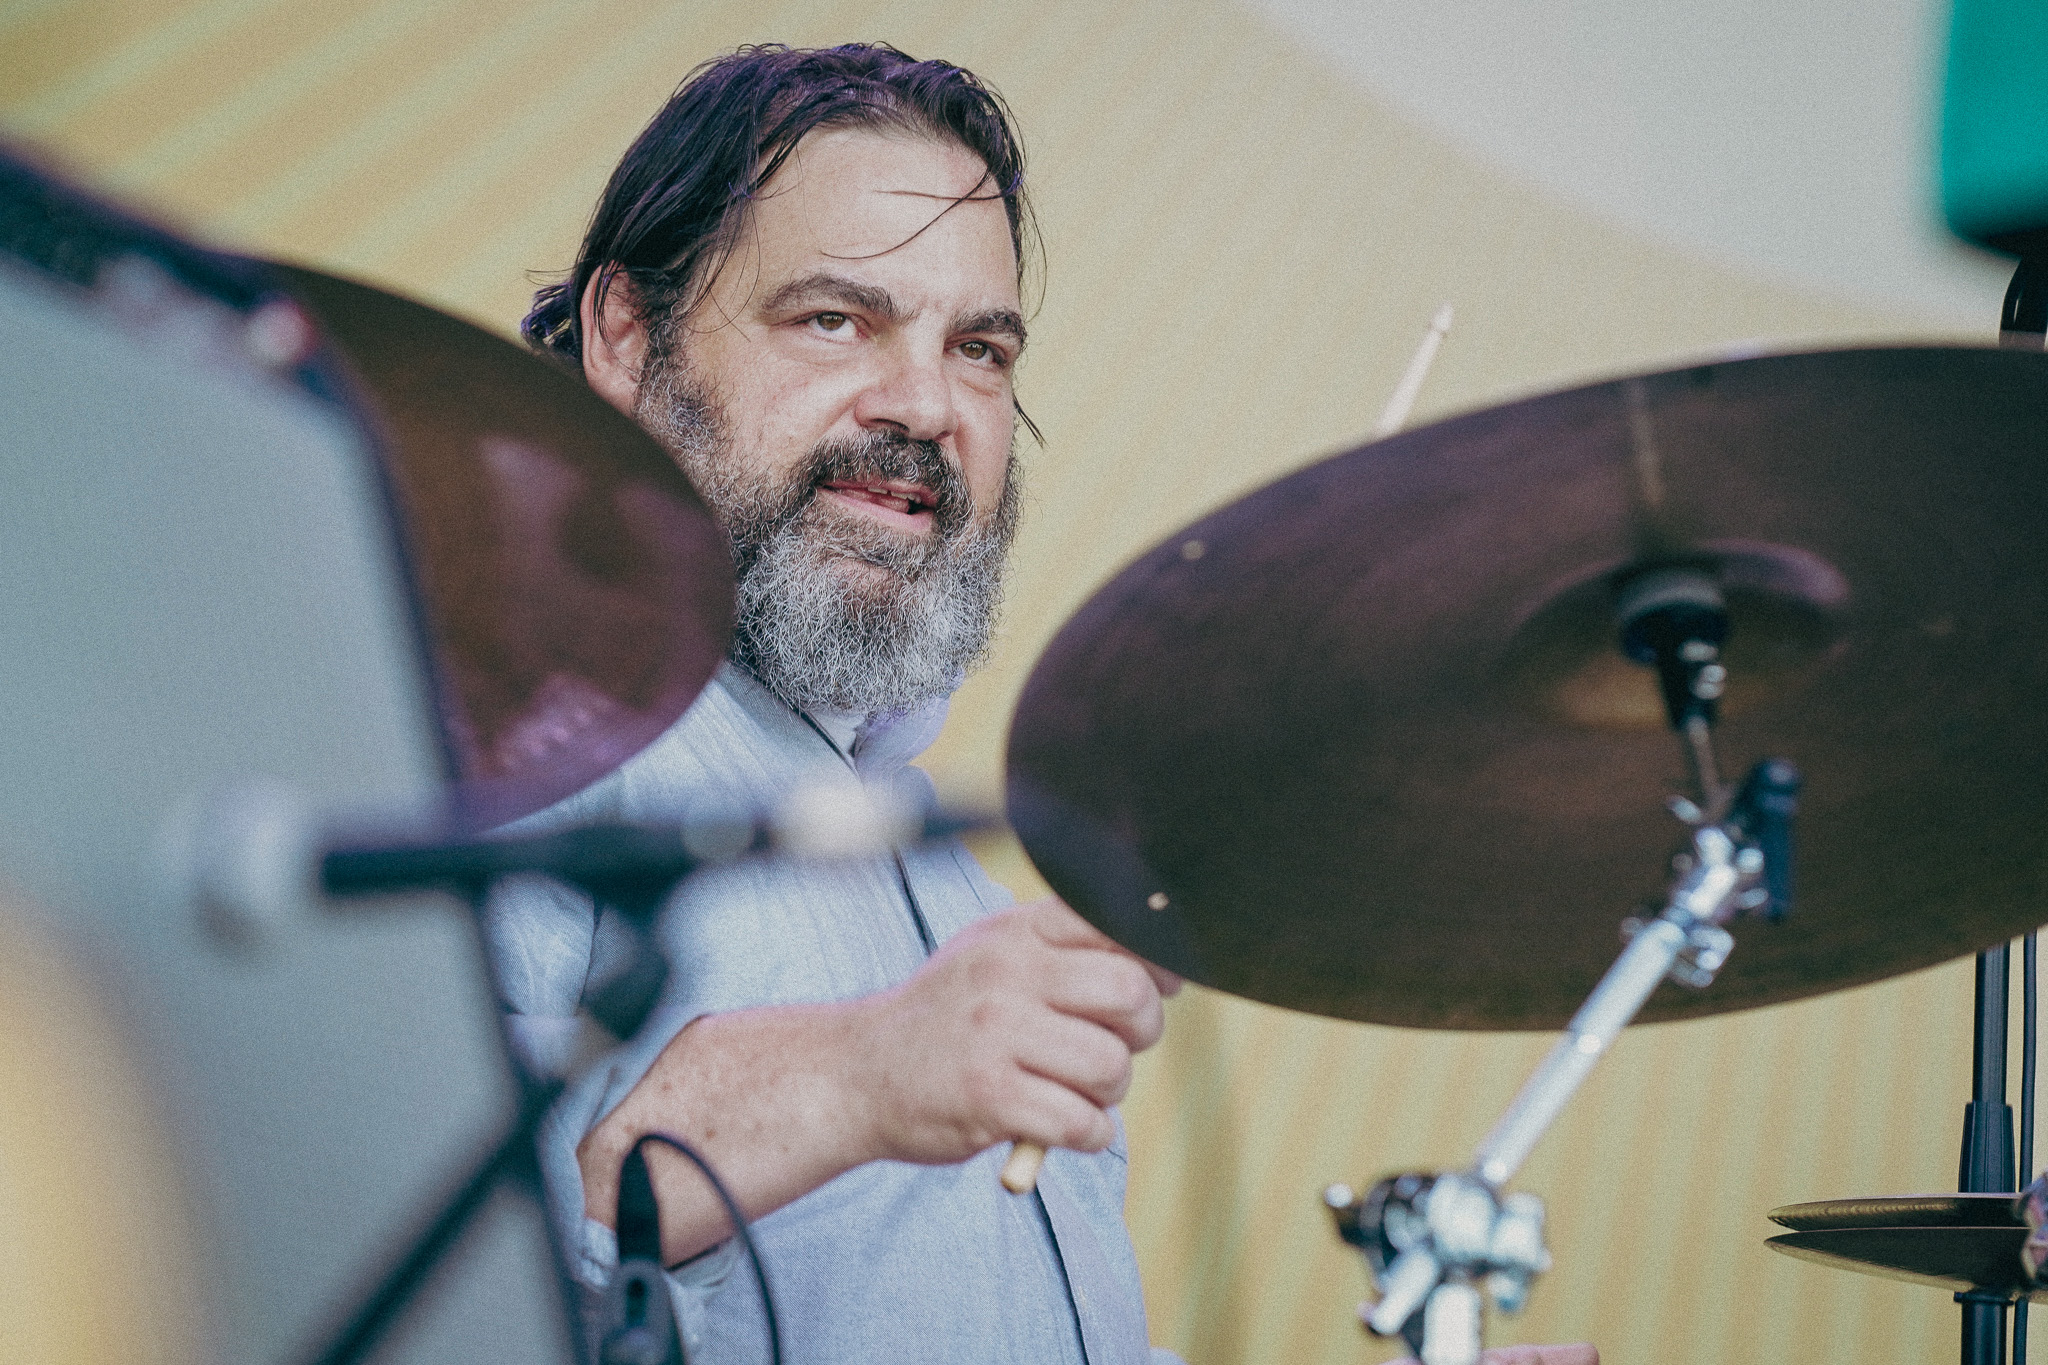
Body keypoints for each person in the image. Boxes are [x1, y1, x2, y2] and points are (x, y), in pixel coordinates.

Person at [494, 41, 1599, 1365]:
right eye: (835, 318)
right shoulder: (498, 730)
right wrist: (863, 1074)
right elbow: (377, 1237)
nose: (926, 406)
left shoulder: (958, 898)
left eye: (978, 349)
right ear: (626, 335)